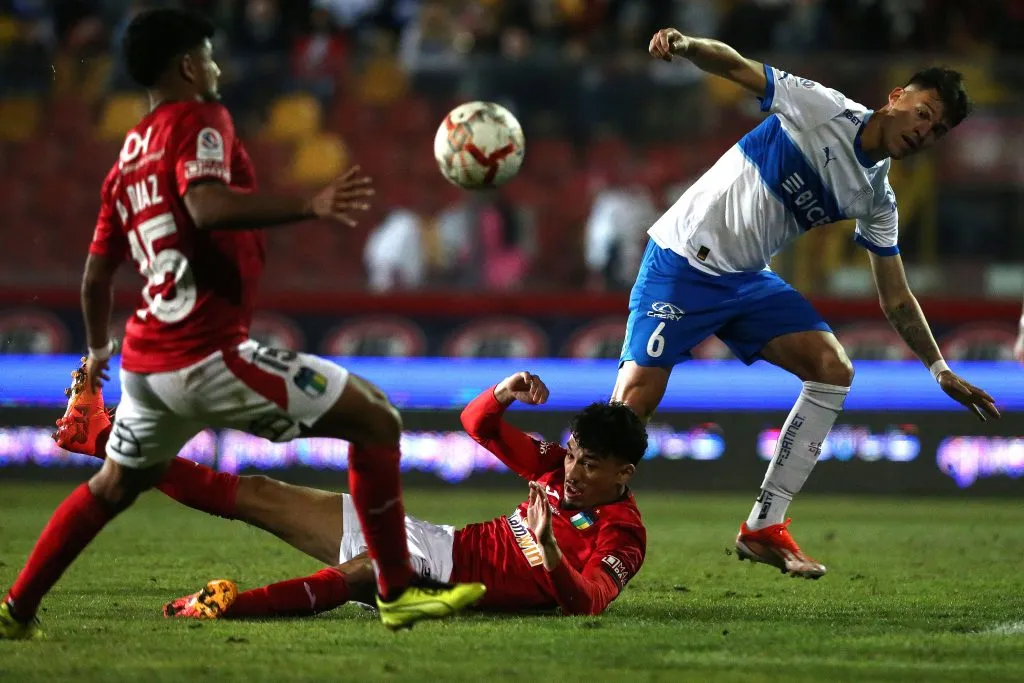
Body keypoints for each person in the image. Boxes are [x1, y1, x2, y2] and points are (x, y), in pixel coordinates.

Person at [0, 8, 483, 641]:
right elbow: (205, 205)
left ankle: (16, 610)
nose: (217, 67)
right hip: (206, 352)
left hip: (148, 361)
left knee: (114, 485)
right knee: (376, 420)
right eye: (208, 53)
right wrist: (305, 205)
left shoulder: (127, 159)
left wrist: (96, 354)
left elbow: (96, 277)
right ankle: (396, 592)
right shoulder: (201, 119)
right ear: (187, 65)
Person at [612, 28, 1002, 579]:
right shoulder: (824, 110)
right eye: (924, 113)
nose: (924, 131)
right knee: (629, 411)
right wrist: (686, 46)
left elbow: (895, 296)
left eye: (936, 130)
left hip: (746, 279)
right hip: (683, 260)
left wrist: (939, 369)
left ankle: (764, 525)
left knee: (832, 369)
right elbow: (738, 65)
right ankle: (563, 515)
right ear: (896, 97)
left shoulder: (875, 196)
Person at [50, 368, 647, 619]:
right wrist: (504, 389)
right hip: (439, 542)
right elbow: (477, 424)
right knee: (259, 492)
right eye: (571, 454)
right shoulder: (552, 468)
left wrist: (549, 551)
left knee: (369, 572)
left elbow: (588, 602)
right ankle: (97, 437)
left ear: (622, 474)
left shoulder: (623, 534)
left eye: (589, 465)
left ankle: (230, 606)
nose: (570, 471)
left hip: (450, 579)